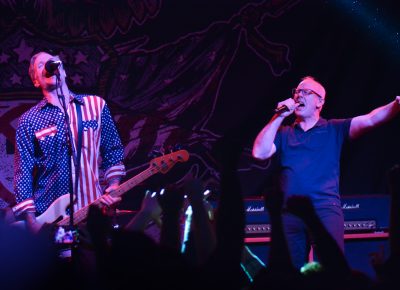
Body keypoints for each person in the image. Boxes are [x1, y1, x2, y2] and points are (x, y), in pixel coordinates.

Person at [252, 76, 400, 269]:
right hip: (289, 213)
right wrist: (279, 116)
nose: (298, 95)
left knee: (331, 269)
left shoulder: (334, 129)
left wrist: (396, 105)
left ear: (320, 102)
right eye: (296, 91)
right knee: (288, 272)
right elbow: (259, 153)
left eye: (305, 92)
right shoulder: (283, 133)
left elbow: (371, 119)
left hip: (324, 209)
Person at [12, 51, 125, 234]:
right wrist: (32, 221)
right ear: (35, 81)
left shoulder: (95, 106)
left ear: (63, 71)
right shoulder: (29, 120)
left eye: (52, 63)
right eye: (40, 66)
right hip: (50, 218)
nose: (48, 65)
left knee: (93, 260)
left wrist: (113, 186)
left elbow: (112, 150)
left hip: (93, 211)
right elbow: (22, 173)